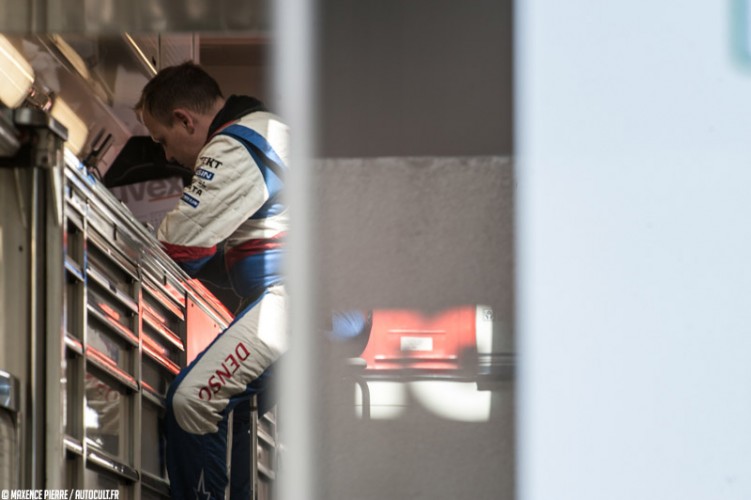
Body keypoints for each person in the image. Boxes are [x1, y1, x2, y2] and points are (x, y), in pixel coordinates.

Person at [136, 62, 289, 499]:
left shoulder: (235, 145)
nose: (166, 156)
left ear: (185, 118)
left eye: (163, 140)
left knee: (192, 402)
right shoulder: (265, 131)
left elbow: (181, 250)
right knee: (232, 411)